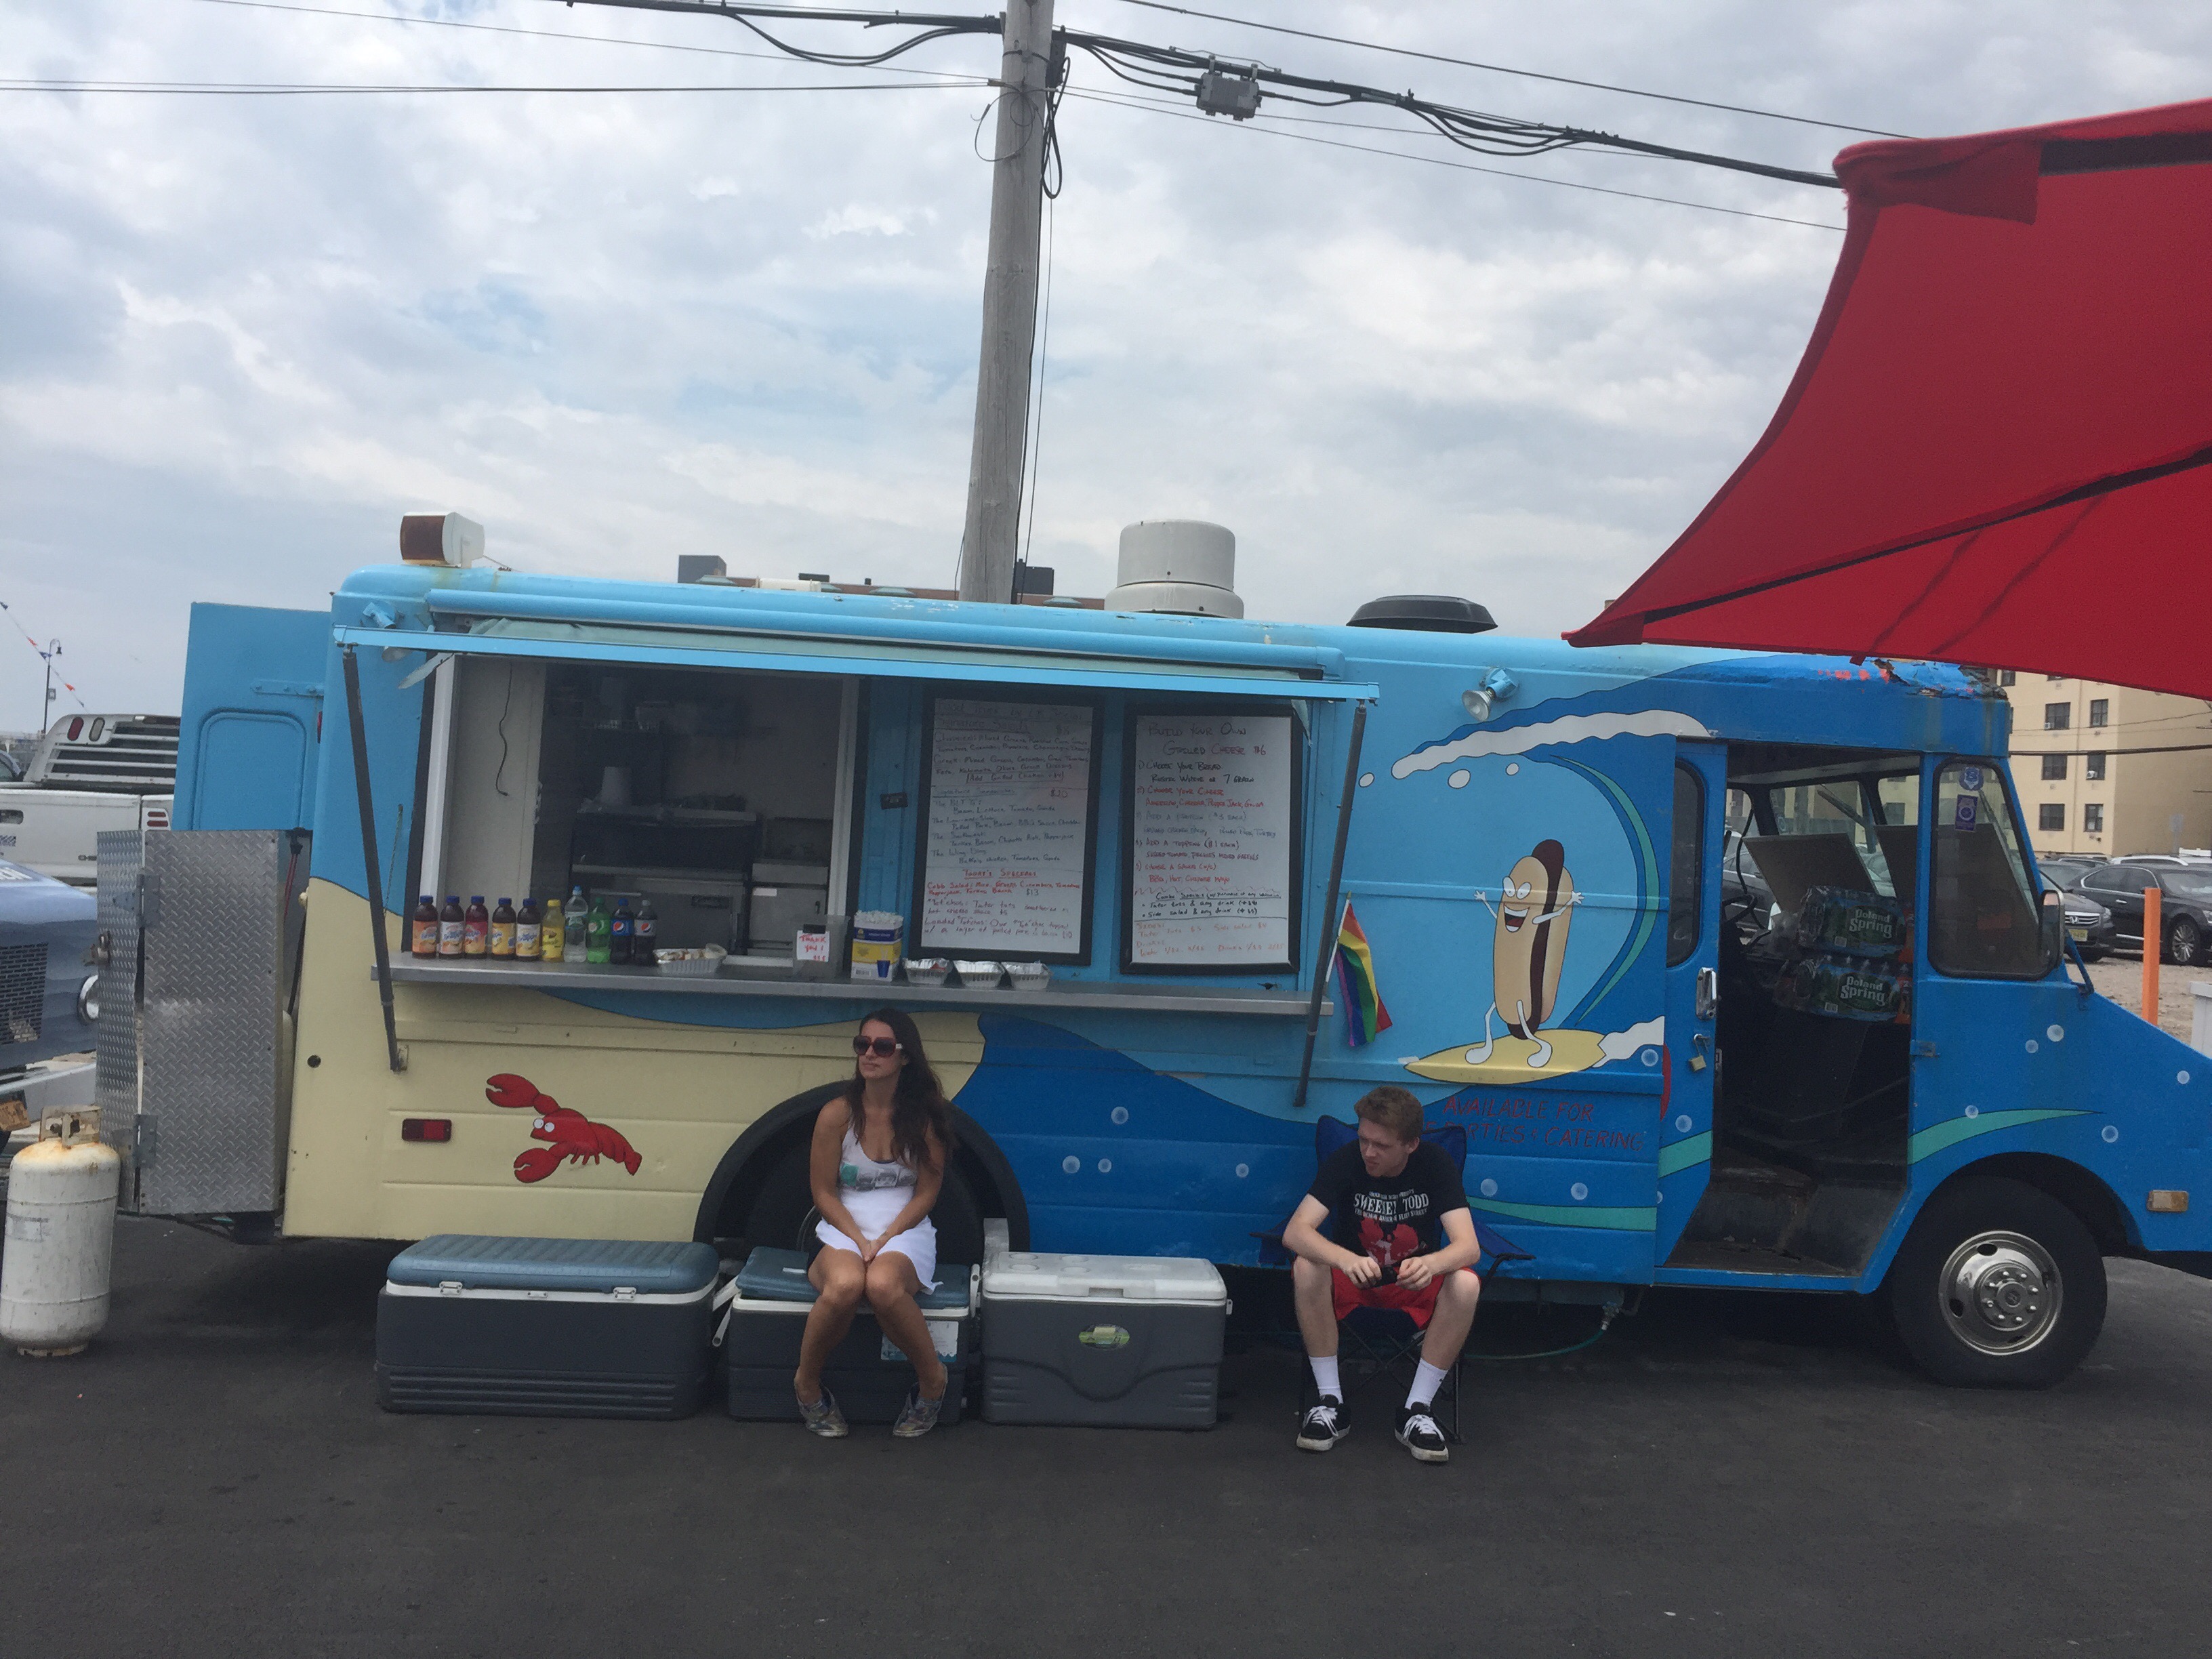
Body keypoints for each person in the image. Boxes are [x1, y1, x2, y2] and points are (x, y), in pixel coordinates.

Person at [1281, 1085, 1481, 1464]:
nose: (1369, 1152)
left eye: (1382, 1146)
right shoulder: (1347, 1160)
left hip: (1412, 1285)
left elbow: (1469, 1247)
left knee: (1466, 1282)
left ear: (1411, 1145)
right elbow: (1296, 1232)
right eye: (1364, 1140)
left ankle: (1417, 1409)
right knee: (1306, 1265)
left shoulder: (1435, 1163)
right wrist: (1344, 1259)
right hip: (1355, 1284)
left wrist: (1433, 1264)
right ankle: (1330, 1403)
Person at [792, 1007, 955, 1439]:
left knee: (882, 1285)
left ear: (904, 1057)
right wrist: (860, 1240)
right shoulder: (837, 1115)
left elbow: (927, 1194)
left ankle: (932, 1381)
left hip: (905, 1231)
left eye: (882, 1047)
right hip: (841, 1230)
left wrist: (886, 1237)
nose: (869, 1054)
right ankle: (807, 1385)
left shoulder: (925, 1118)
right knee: (846, 1285)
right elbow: (824, 1193)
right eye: (862, 1044)